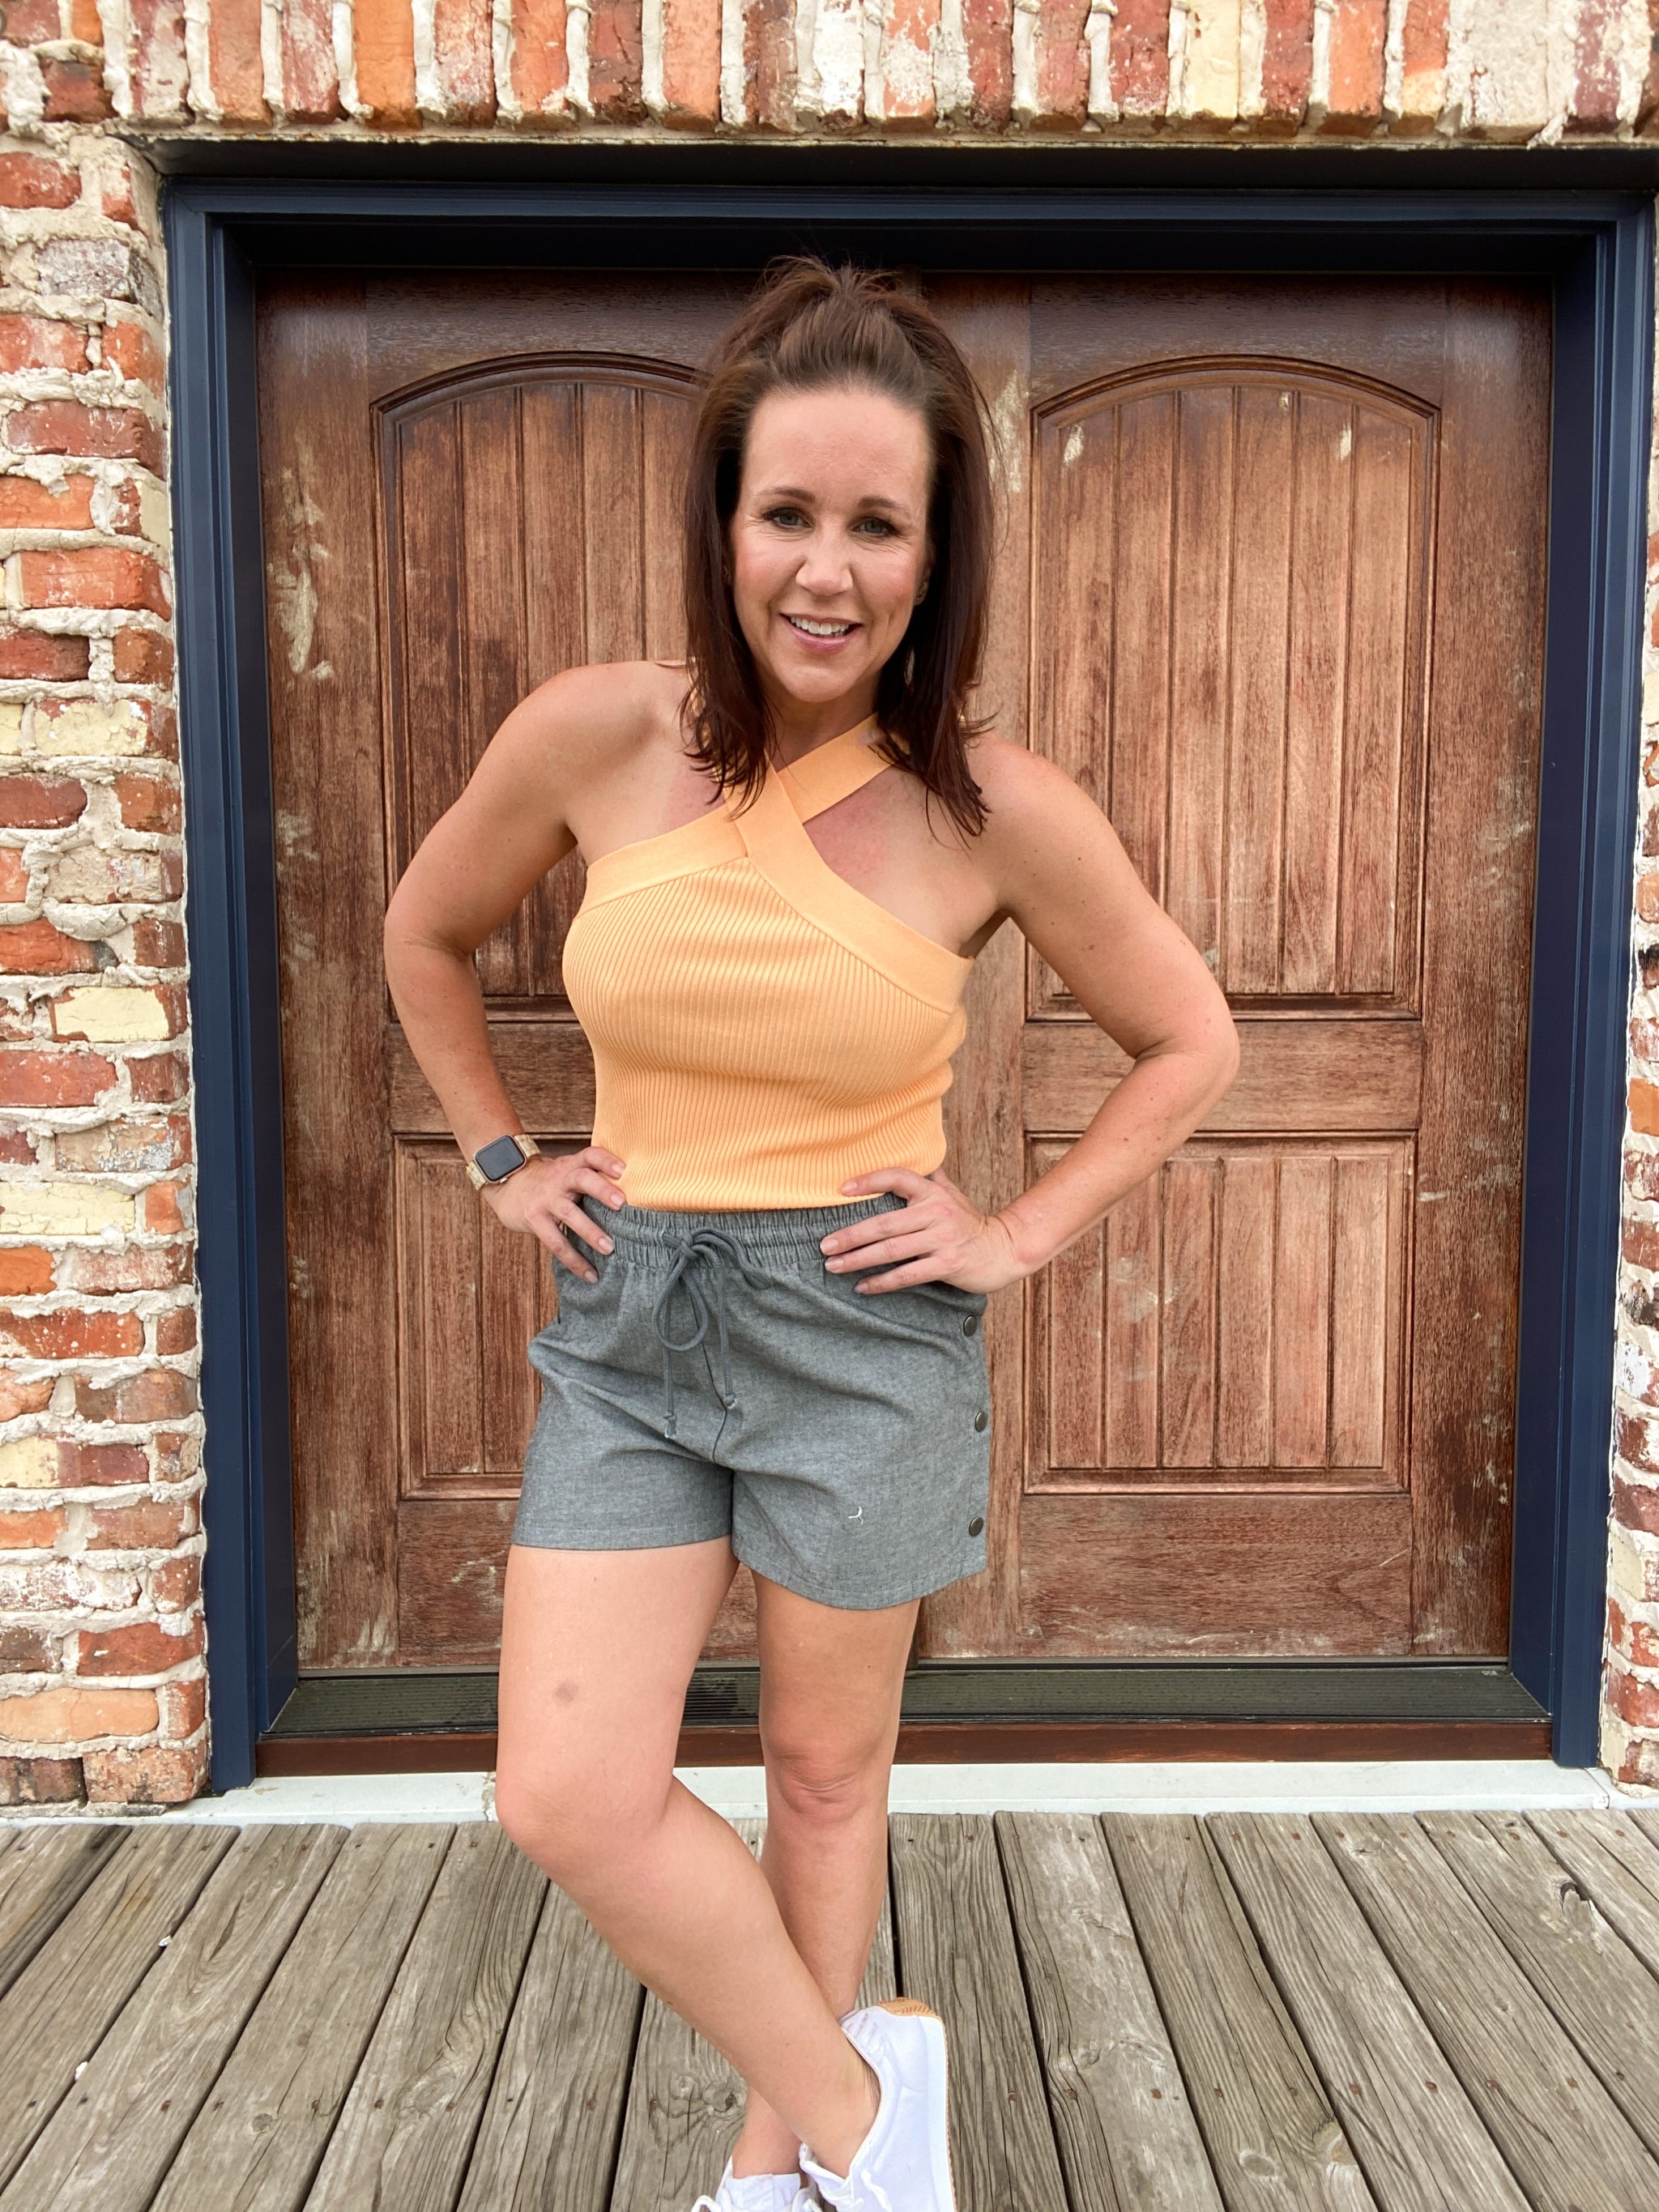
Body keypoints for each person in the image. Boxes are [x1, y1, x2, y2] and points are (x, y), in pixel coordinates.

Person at [383, 258, 1239, 2212]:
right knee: (567, 1789)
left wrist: (1014, 1232)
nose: (826, 570)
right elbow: (423, 934)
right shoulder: (597, 735)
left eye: (877, 523)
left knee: (826, 1777)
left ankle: (781, 2173)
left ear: (936, 554)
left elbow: (1190, 1039)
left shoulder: (992, 808)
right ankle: (872, 2119)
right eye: (787, 513)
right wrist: (502, 1153)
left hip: (860, 1328)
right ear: (723, 523)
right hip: (632, 1320)